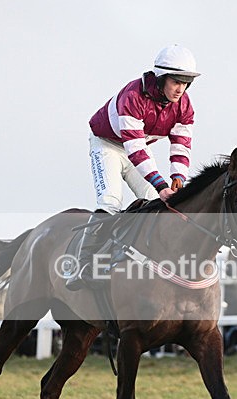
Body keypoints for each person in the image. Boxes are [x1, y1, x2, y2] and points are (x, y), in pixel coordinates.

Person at [67, 44, 201, 291]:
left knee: (155, 202)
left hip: (137, 146)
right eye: (176, 81)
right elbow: (135, 149)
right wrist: (161, 184)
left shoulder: (184, 105)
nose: (180, 88)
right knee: (110, 200)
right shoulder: (133, 96)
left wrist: (178, 179)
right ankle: (82, 264)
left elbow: (181, 144)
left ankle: (145, 261)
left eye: (186, 82)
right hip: (108, 144)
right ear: (161, 78)